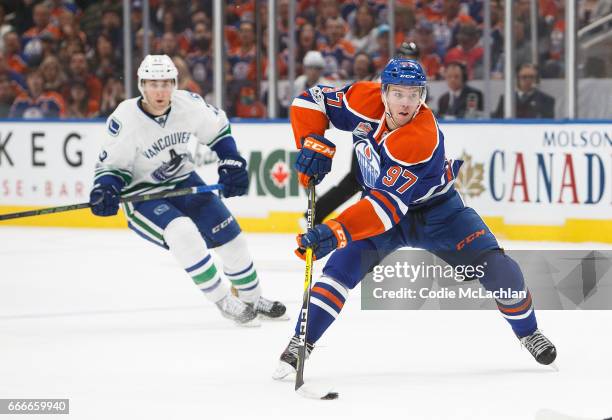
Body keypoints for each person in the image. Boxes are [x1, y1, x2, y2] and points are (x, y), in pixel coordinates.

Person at [273, 58, 557, 378]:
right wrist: (311, 140)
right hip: (380, 206)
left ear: (422, 95)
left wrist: (335, 231)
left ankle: (528, 332)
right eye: (398, 93)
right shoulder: (363, 100)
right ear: (383, 93)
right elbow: (310, 100)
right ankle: (302, 340)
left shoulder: (421, 137)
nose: (406, 102)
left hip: (438, 212)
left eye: (414, 94)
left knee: (500, 271)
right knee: (339, 271)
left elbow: (385, 209)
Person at [89, 55, 286, 326]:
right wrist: (106, 189)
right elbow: (112, 167)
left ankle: (252, 298)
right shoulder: (125, 118)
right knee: (182, 232)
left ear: (175, 84)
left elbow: (218, 130)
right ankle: (223, 300)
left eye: (166, 83)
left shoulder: (187, 104)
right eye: (153, 84)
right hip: (142, 194)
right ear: (141, 85)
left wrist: (231, 160)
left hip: (183, 181)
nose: (160, 90)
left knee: (232, 239)